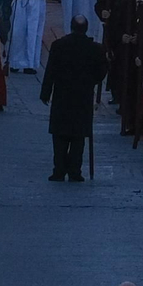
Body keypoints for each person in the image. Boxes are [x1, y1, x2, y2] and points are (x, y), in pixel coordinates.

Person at [41, 16, 109, 182]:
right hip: (83, 96)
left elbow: (50, 71)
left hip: (62, 96)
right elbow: (102, 71)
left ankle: (59, 170)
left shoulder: (59, 46)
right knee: (79, 136)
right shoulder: (95, 49)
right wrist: (92, 81)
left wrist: (45, 92)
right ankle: (74, 171)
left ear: (71, 27)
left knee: (59, 135)